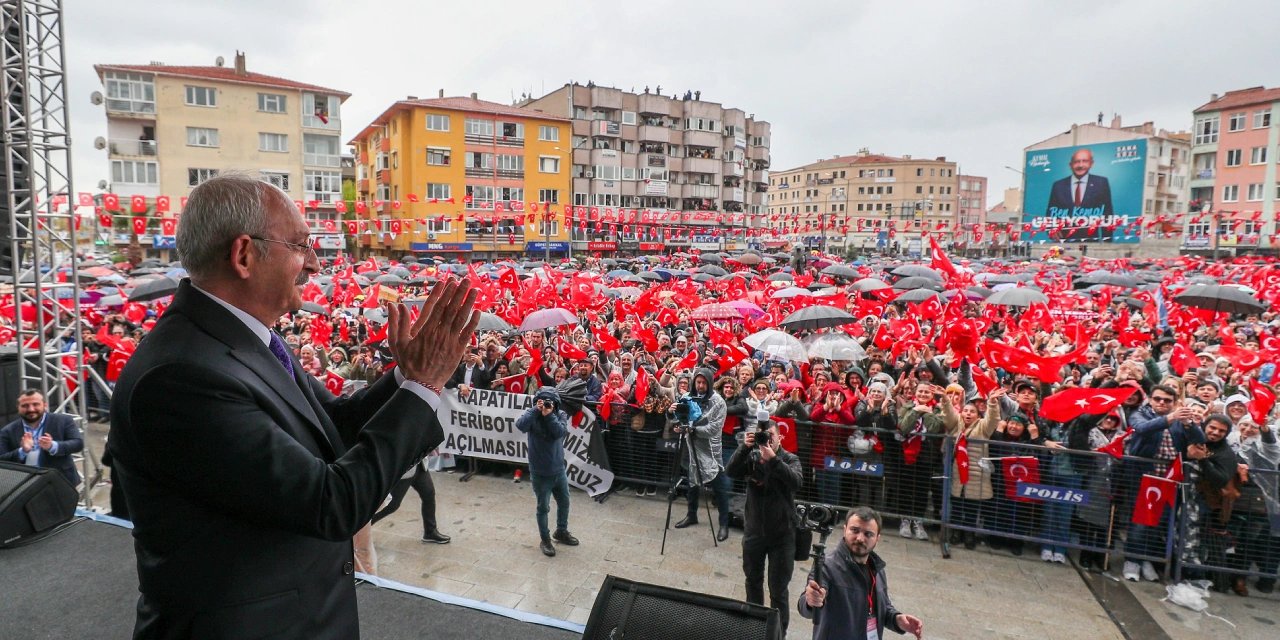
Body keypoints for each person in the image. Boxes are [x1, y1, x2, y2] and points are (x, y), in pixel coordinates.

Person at [108, 174, 479, 639]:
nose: (312, 263)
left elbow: (333, 428)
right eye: (301, 245)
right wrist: (425, 385)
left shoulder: (241, 340)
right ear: (244, 254)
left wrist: (404, 376)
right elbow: (330, 504)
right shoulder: (182, 377)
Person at [799, 507, 924, 640]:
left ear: (877, 538)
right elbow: (805, 605)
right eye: (855, 530)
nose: (860, 538)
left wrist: (897, 620)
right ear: (845, 529)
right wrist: (810, 601)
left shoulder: (878, 568)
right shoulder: (826, 566)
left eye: (868, 534)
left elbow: (883, 607)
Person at [726, 418, 803, 634]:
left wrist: (773, 461)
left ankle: (779, 634)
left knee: (778, 590)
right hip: (754, 532)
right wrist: (744, 447)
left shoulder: (789, 458)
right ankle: (755, 629)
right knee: (752, 582)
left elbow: (797, 482)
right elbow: (730, 471)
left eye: (770, 437)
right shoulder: (751, 456)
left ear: (780, 437)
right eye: (762, 437)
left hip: (782, 535)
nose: (766, 441)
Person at [515, 387, 579, 557]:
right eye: (542, 401)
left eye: (549, 402)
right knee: (543, 507)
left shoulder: (560, 415)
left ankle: (561, 531)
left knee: (564, 502)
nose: (546, 405)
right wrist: (536, 410)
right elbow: (520, 425)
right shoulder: (532, 414)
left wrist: (549, 415)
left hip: (558, 469)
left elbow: (560, 432)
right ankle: (545, 539)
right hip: (540, 472)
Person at [674, 367, 732, 542]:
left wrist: (693, 429)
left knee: (720, 488)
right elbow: (678, 418)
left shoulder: (719, 402)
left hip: (711, 450)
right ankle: (691, 515)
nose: (700, 386)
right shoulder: (687, 397)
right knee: (692, 484)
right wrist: (675, 417)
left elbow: (714, 429)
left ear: (710, 383)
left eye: (703, 383)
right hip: (691, 447)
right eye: (697, 382)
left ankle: (724, 524)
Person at [0, 389, 85, 488]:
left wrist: (53, 446)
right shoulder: (7, 431)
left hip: (61, 483)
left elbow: (78, 443)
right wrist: (22, 451)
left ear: (45, 405)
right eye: (25, 406)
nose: (31, 409)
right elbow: (2, 459)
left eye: (35, 404)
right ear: (18, 408)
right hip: (24, 486)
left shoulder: (63, 421)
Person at [371, 458, 450, 544]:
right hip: (404, 468)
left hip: (420, 464)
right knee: (392, 505)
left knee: (429, 494)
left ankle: (430, 532)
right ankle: (361, 526)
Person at [1046, 148, 1114, 236]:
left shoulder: (1101, 183)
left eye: (1085, 161)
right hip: (1063, 241)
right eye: (1076, 162)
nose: (1080, 165)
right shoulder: (1058, 185)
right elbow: (1051, 212)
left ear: (1091, 164)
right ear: (1070, 165)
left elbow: (1107, 214)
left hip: (1091, 241)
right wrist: (1052, 229)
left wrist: (1107, 243)